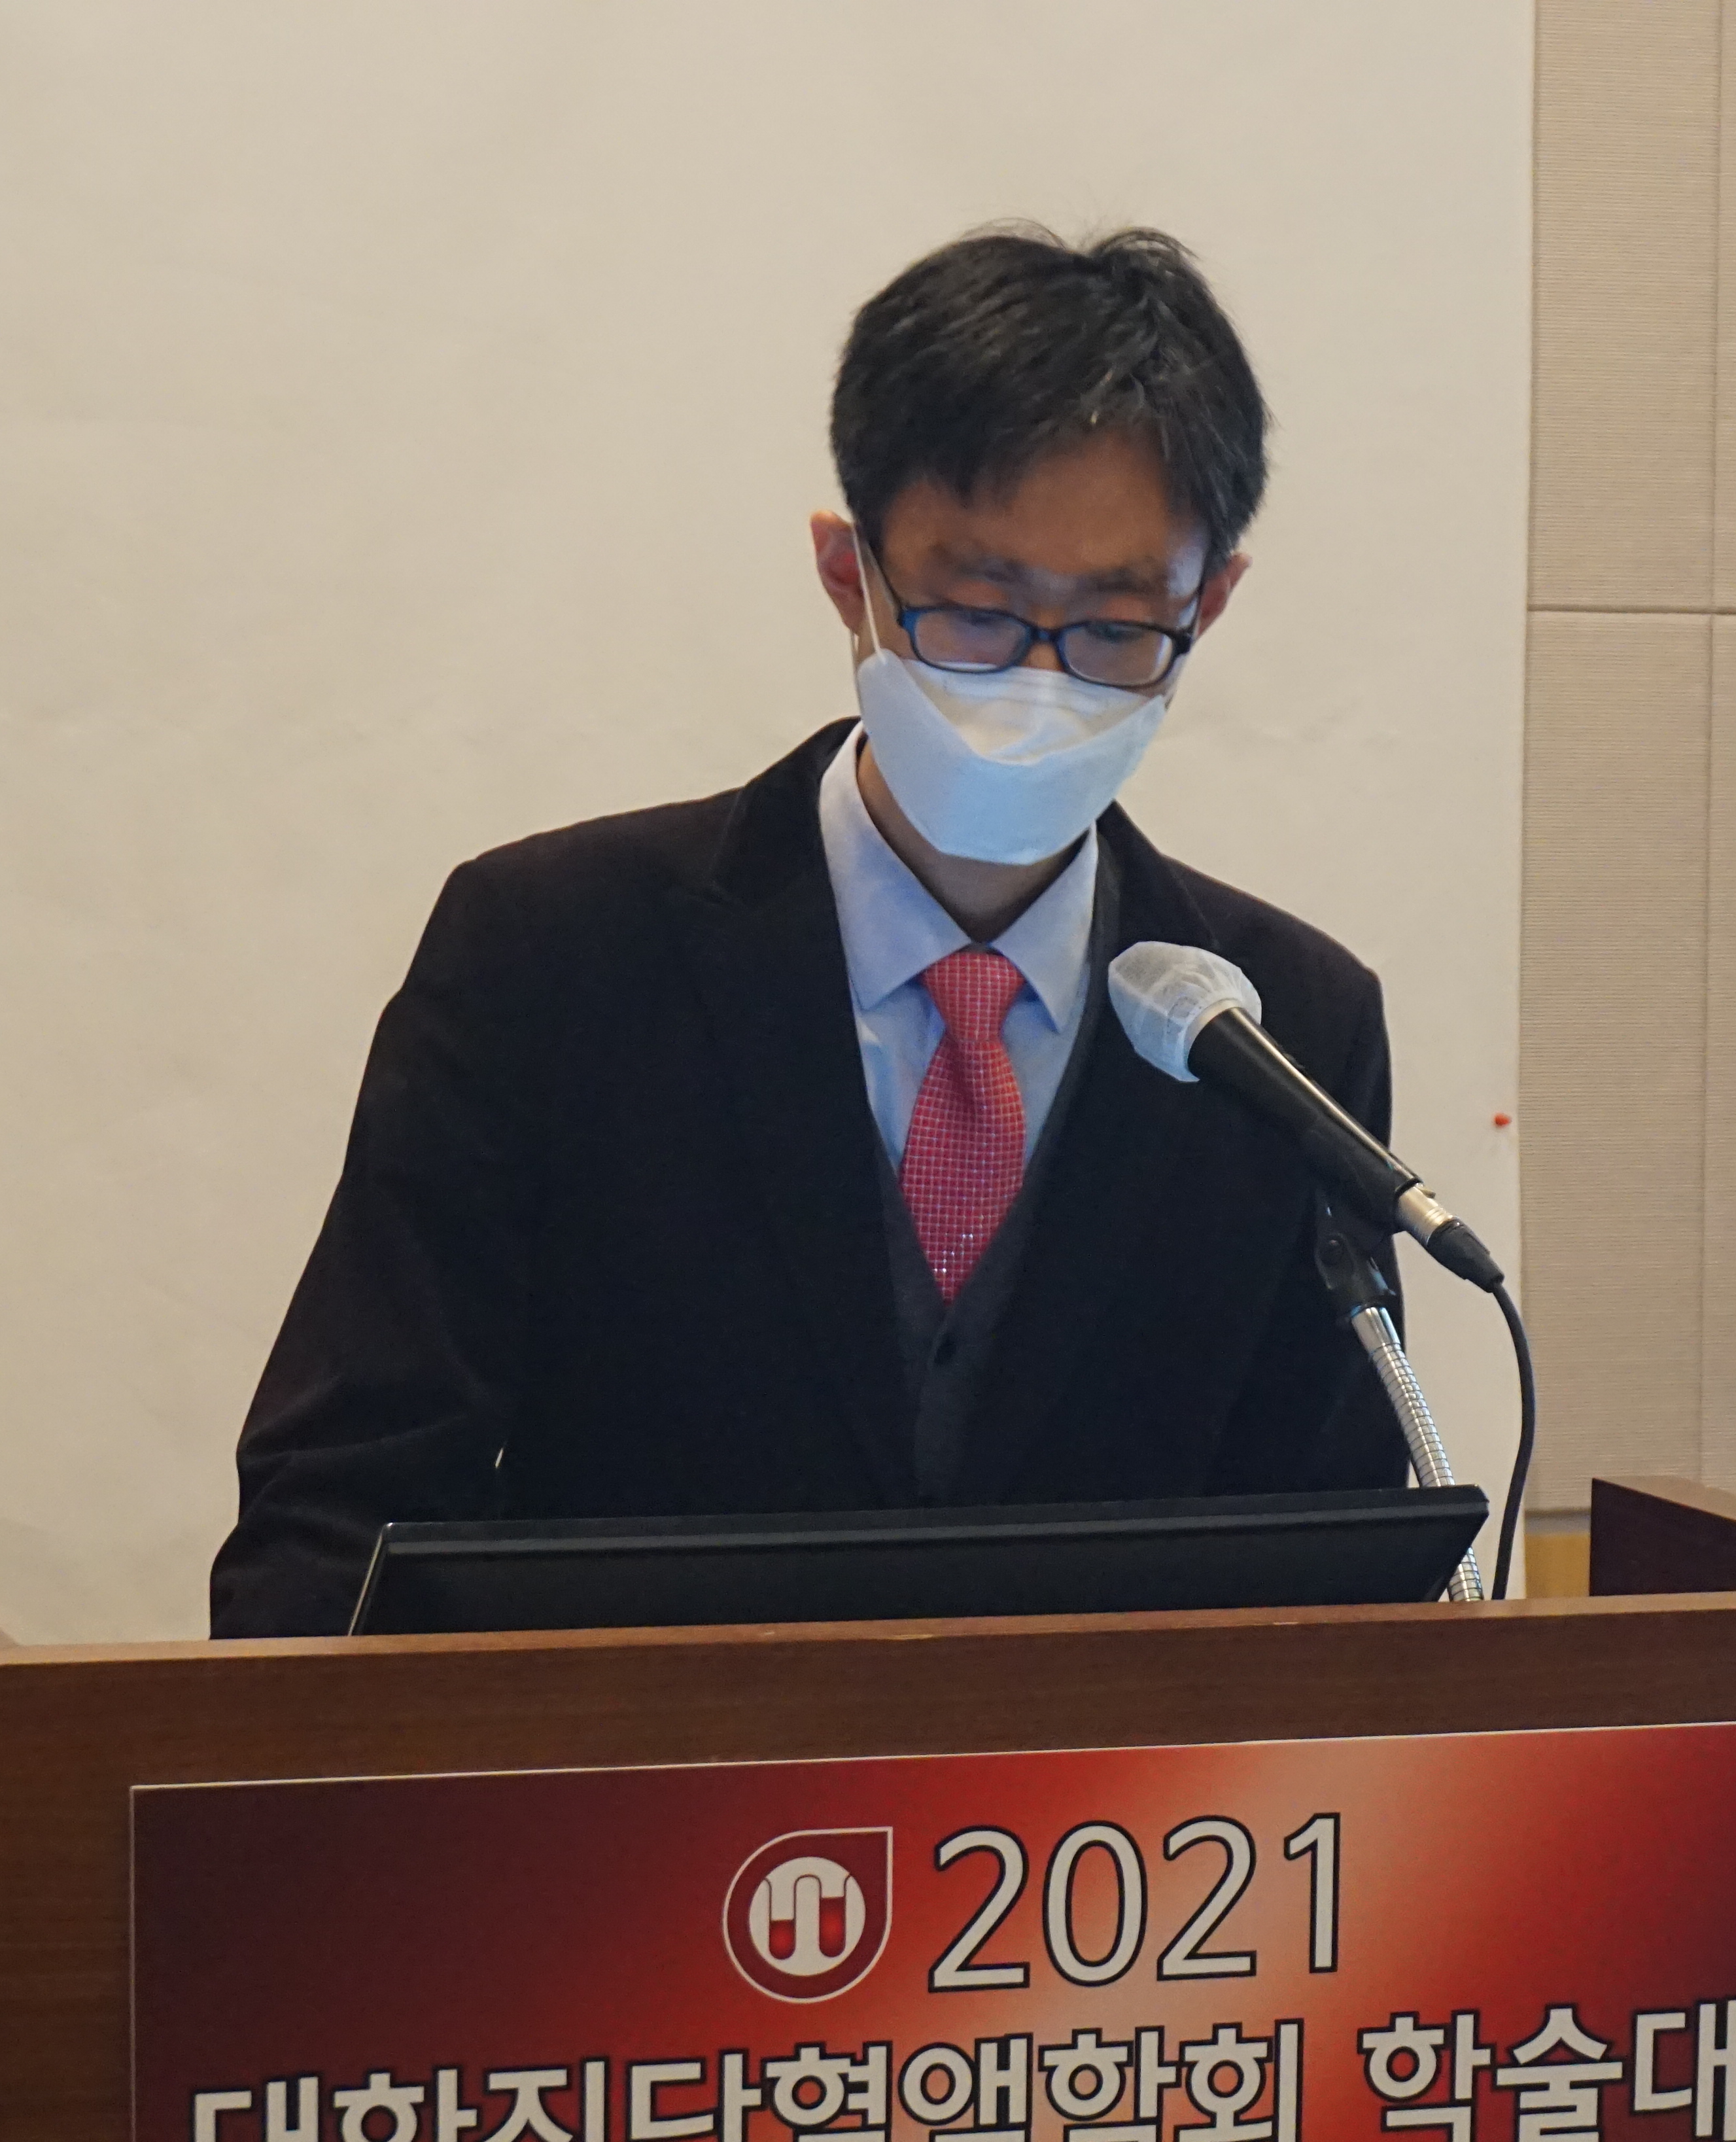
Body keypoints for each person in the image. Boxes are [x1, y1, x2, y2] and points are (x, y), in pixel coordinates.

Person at [211, 224, 1408, 1637]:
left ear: (1211, 603)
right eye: (975, 610)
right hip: (617, 1767)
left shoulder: (1285, 1032)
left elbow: (1335, 1580)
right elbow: (336, 1511)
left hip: (1102, 1786)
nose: (1038, 682)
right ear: (851, 575)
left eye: (1112, 629)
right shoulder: (549, 957)